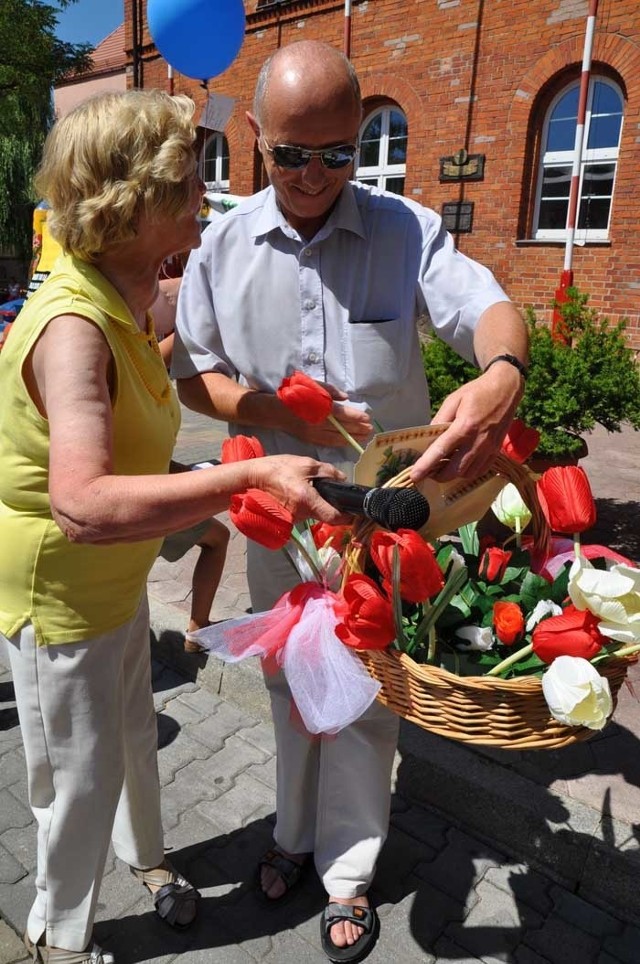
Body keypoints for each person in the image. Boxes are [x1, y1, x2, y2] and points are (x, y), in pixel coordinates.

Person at [171, 41, 529, 963]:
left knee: (370, 700)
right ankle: (290, 832)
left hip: (386, 516)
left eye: (338, 153)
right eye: (292, 155)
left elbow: (489, 312)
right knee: (291, 689)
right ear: (256, 139)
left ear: (361, 136)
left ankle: (349, 870)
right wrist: (268, 408)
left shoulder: (406, 230)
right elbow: (192, 377)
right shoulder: (221, 244)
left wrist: (503, 371)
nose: (314, 176)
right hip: (276, 515)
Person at [0, 88, 347, 964]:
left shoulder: (125, 292)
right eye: (193, 176)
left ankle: (148, 862)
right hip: (62, 589)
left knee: (131, 751)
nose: (206, 190)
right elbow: (82, 502)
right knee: (76, 780)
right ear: (138, 200)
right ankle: (62, 933)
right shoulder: (73, 325)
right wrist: (248, 473)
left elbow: (202, 325)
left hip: (114, 583)